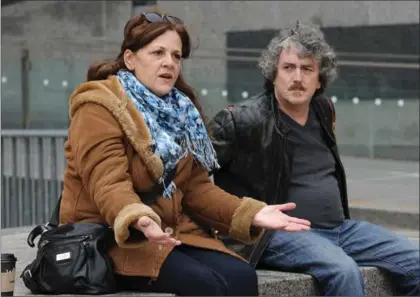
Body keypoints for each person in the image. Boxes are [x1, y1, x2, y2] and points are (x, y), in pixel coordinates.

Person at [59, 12, 312, 296]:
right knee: (208, 285)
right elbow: (107, 182)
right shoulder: (99, 107)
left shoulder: (181, 111)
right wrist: (139, 218)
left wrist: (252, 213)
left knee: (241, 276)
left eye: (176, 56)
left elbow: (197, 189)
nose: (169, 62)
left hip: (169, 234)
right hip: (113, 238)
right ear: (130, 59)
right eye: (157, 52)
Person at [209, 20, 419, 296]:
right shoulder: (242, 119)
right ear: (273, 74)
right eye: (288, 68)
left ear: (320, 79)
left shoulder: (322, 109)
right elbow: (193, 174)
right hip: (278, 235)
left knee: (416, 263)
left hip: (342, 229)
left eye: (307, 69)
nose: (298, 77)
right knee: (343, 272)